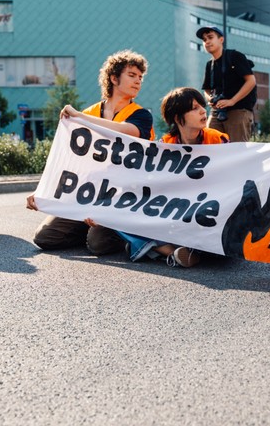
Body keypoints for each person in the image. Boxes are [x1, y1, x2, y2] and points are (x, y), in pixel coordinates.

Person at [26, 49, 154, 254]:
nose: (138, 81)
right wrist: (43, 190)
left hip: (120, 196)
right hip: (86, 193)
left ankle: (119, 232)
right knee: (44, 238)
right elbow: (69, 159)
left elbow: (126, 131)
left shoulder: (141, 115)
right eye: (131, 75)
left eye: (140, 77)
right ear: (113, 78)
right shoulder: (89, 113)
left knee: (98, 244)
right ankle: (86, 227)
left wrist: (80, 117)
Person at [119, 87, 230, 267]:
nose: (203, 111)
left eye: (202, 106)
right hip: (176, 212)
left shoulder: (218, 140)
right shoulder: (164, 147)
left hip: (208, 210)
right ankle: (171, 252)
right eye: (194, 108)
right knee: (120, 210)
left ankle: (153, 249)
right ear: (178, 118)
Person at [198, 26, 257, 143]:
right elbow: (207, 89)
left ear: (221, 40)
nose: (207, 42)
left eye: (210, 37)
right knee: (209, 144)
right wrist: (210, 99)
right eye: (204, 40)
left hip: (238, 110)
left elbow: (251, 81)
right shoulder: (210, 64)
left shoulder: (235, 56)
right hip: (217, 112)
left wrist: (232, 101)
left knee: (237, 150)